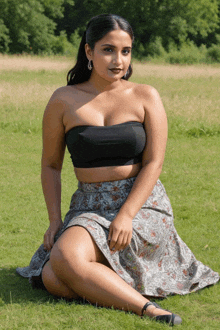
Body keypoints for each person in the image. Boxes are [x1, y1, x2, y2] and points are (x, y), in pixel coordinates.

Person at [16, 14, 219, 326]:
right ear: (89, 52)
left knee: (60, 270)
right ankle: (121, 286)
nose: (118, 60)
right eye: (108, 50)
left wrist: (126, 214)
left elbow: (154, 163)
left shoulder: (145, 95)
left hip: (141, 204)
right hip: (89, 205)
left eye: (126, 51)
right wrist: (55, 220)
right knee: (54, 277)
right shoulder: (63, 100)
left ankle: (148, 311)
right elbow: (50, 165)